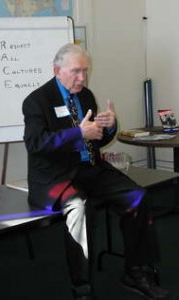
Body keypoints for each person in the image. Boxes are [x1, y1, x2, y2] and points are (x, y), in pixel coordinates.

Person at [22, 43, 170, 300]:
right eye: (76, 72)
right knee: (78, 209)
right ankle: (82, 290)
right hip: (55, 176)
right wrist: (78, 132)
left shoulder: (85, 95)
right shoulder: (37, 101)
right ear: (57, 70)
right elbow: (36, 145)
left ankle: (136, 272)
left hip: (90, 168)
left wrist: (108, 127)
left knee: (137, 197)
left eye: (85, 71)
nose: (82, 78)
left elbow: (97, 140)